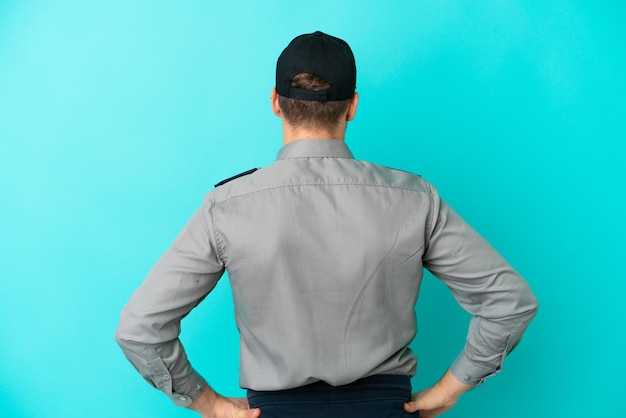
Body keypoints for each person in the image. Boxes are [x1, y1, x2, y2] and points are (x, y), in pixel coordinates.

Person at [115, 31, 538, 418]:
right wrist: (449, 390)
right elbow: (510, 301)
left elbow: (140, 329)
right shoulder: (413, 197)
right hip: (386, 409)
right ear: (353, 105)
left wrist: (208, 404)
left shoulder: (227, 205)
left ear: (275, 102)